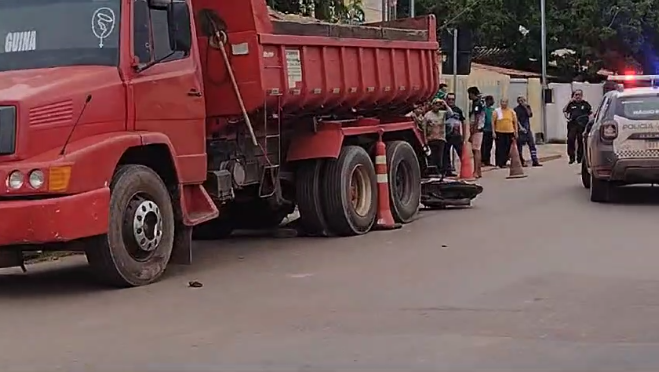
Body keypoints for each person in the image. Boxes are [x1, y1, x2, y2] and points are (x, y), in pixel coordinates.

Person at [422, 98, 453, 175]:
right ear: (432, 105)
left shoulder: (443, 113)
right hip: (431, 139)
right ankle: (432, 172)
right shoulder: (427, 115)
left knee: (440, 157)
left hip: (441, 138)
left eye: (439, 105)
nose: (437, 106)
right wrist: (425, 139)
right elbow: (424, 128)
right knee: (431, 157)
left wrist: (445, 104)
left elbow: (451, 113)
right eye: (435, 104)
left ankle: (440, 172)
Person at [563, 89, 592, 164]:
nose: (578, 96)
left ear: (582, 96)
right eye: (576, 95)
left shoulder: (585, 104)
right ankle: (571, 157)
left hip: (582, 125)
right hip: (573, 124)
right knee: (570, 139)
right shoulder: (571, 104)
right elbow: (565, 111)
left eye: (579, 94)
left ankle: (580, 157)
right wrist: (569, 102)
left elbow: (590, 113)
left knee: (580, 140)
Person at [514, 96, 542, 167]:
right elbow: (516, 120)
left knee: (532, 145)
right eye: (520, 101)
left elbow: (530, 115)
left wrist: (526, 107)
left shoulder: (527, 107)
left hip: (527, 129)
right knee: (519, 146)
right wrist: (520, 127)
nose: (522, 102)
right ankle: (521, 161)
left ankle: (535, 161)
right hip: (520, 130)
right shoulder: (516, 109)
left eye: (523, 100)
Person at [492, 98, 518, 168]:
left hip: (510, 132)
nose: (504, 103)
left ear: (507, 103)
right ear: (500, 103)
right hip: (499, 132)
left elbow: (515, 122)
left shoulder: (511, 111)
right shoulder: (496, 111)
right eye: (502, 102)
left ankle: (504, 162)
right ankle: (498, 163)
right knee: (499, 148)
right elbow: (493, 122)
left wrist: (516, 132)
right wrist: (493, 132)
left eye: (505, 102)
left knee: (507, 148)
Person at [443, 93, 465, 177]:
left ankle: (465, 169)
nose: (451, 101)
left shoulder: (458, 110)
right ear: (446, 100)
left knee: (461, 152)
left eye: (453, 99)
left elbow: (462, 122)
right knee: (446, 154)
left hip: (456, 135)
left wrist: (464, 135)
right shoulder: (443, 110)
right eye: (449, 99)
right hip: (446, 135)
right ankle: (448, 171)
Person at [467, 86, 485, 178]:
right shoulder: (480, 101)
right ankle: (478, 171)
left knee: (476, 150)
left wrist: (473, 130)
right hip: (479, 128)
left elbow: (477, 117)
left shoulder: (477, 103)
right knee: (477, 150)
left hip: (477, 129)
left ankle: (476, 171)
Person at [481, 95, 495, 166]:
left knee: (489, 146)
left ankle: (487, 160)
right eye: (489, 100)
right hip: (485, 130)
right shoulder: (484, 109)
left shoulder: (493, 110)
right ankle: (482, 160)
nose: (491, 102)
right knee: (484, 146)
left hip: (491, 130)